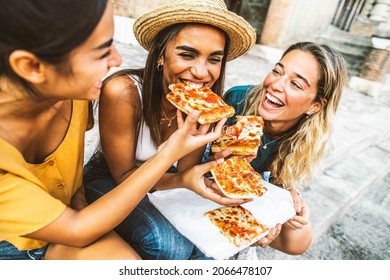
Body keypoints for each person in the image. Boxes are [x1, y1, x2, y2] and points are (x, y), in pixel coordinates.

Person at [0, 0, 226, 260]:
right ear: (32, 67)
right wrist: (168, 154)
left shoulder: (76, 95)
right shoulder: (114, 90)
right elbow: (77, 228)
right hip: (14, 244)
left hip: (73, 213)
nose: (117, 60)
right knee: (167, 244)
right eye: (100, 51)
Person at [83, 0, 256, 260]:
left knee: (211, 244)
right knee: (169, 245)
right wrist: (183, 180)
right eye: (187, 55)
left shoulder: (206, 107)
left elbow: (186, 173)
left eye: (214, 59)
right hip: (109, 181)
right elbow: (124, 176)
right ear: (161, 55)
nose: (200, 72)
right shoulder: (123, 91)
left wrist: (221, 171)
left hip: (164, 184)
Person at [220, 41, 348, 255]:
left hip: (240, 203)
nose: (276, 85)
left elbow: (296, 245)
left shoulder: (306, 140)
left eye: (296, 84)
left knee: (297, 238)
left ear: (315, 105)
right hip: (204, 190)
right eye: (277, 71)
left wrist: (289, 204)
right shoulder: (237, 100)